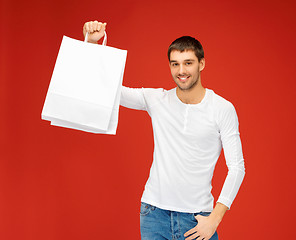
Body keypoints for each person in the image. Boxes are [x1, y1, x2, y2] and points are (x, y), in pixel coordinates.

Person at [83, 21, 246, 240]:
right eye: (175, 64)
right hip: (153, 214)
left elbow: (237, 168)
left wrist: (215, 218)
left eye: (188, 63)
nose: (181, 71)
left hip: (198, 218)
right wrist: (92, 47)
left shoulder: (223, 109)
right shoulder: (157, 99)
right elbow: (111, 90)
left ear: (202, 63)